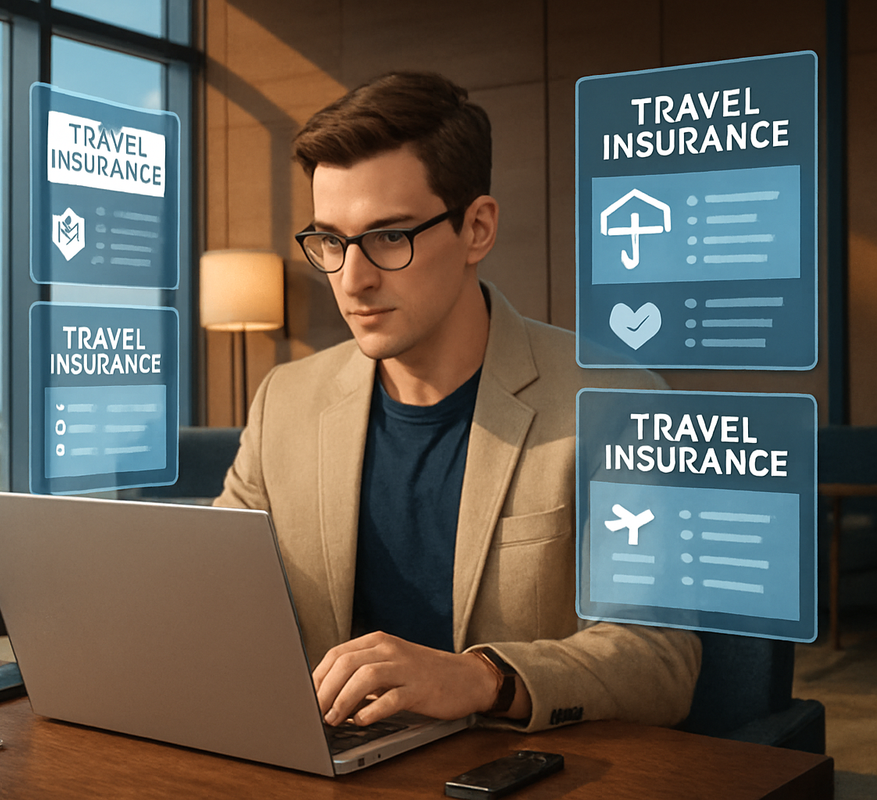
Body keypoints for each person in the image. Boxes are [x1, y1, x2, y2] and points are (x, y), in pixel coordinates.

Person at [214, 71, 700, 733]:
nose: (352, 279)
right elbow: (213, 591)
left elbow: (659, 660)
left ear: (476, 229)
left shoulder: (618, 405)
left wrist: (480, 679)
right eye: (330, 240)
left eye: (389, 237)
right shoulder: (286, 401)